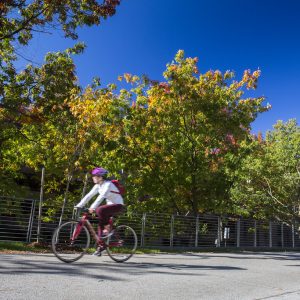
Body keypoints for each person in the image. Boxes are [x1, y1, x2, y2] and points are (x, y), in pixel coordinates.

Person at [75, 167, 124, 255]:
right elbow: (88, 195)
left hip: (118, 205)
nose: (93, 177)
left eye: (94, 176)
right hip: (109, 206)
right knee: (100, 222)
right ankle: (101, 246)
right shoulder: (98, 185)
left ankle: (106, 230)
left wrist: (92, 207)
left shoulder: (108, 184)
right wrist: (79, 205)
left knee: (99, 209)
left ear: (100, 177)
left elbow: (101, 197)